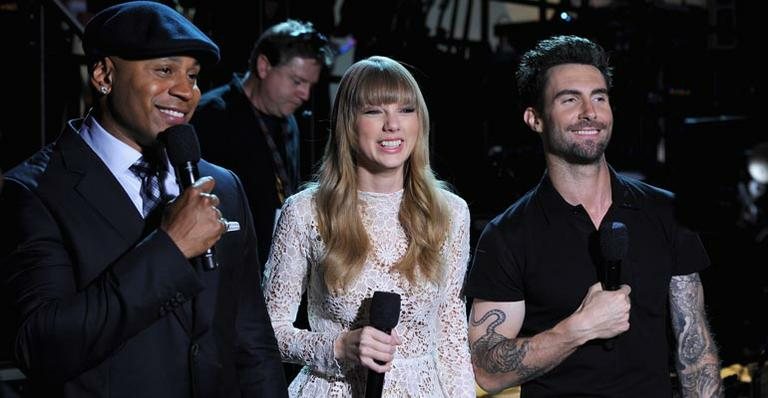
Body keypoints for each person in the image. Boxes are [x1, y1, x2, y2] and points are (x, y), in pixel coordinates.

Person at [0, 2, 287, 397]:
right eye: (165, 71)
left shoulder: (221, 185)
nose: (186, 91)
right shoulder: (34, 190)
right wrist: (169, 248)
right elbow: (41, 346)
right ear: (104, 75)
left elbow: (251, 341)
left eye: (193, 76)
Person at [464, 35, 723, 397]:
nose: (590, 112)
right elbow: (488, 370)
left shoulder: (666, 213)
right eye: (570, 99)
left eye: (599, 97)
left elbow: (694, 349)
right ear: (535, 118)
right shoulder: (507, 235)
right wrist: (579, 328)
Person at [261, 55, 476, 397]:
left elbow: (451, 333)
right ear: (349, 122)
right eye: (374, 111)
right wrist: (338, 347)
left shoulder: (450, 212)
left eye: (406, 110)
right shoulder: (305, 212)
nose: (393, 125)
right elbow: (266, 332)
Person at [190, 19, 335, 267]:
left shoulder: (289, 122)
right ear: (264, 66)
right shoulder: (210, 116)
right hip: (225, 263)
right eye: (297, 81)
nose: (306, 95)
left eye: (310, 85)